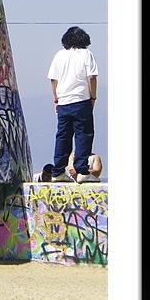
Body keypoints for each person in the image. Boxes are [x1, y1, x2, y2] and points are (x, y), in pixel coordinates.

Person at [47, 26, 99, 183]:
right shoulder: (86, 54)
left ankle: (58, 172)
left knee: (63, 136)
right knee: (84, 135)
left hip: (63, 101)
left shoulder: (59, 55)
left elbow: (53, 80)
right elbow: (91, 77)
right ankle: (82, 171)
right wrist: (93, 97)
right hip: (81, 100)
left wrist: (56, 99)